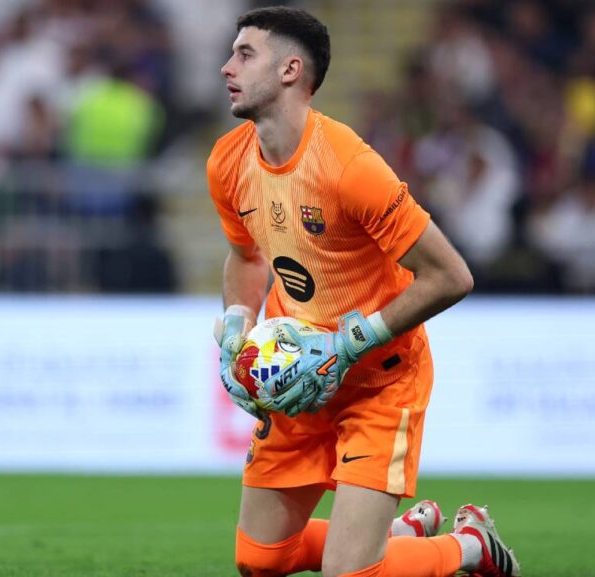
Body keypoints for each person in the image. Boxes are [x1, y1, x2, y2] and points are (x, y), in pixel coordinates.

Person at [207, 7, 520, 577]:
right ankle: (396, 532)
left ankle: (470, 546)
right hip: (299, 370)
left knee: (350, 575)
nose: (226, 66)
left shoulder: (350, 168)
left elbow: (452, 276)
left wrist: (351, 345)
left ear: (289, 71)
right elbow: (247, 255)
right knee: (259, 561)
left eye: (244, 54)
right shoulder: (227, 161)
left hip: (379, 375)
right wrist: (235, 326)